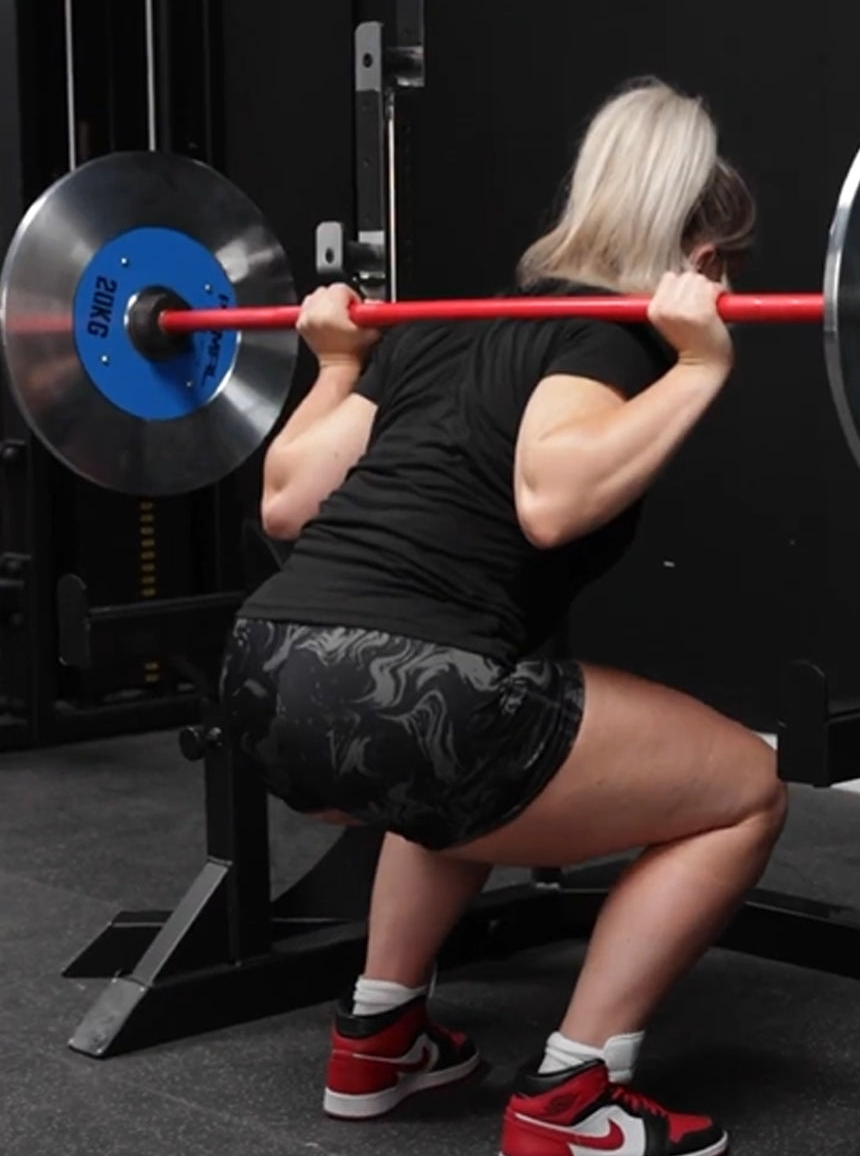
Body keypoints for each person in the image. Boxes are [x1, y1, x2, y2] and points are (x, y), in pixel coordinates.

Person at [219, 77, 788, 1156]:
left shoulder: (448, 328)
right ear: (706, 263)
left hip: (263, 673)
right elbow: (552, 500)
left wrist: (336, 367)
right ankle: (576, 1094)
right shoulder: (611, 338)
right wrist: (702, 363)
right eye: (733, 269)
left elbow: (286, 501)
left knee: (461, 770)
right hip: (415, 690)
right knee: (746, 790)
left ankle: (379, 1035)